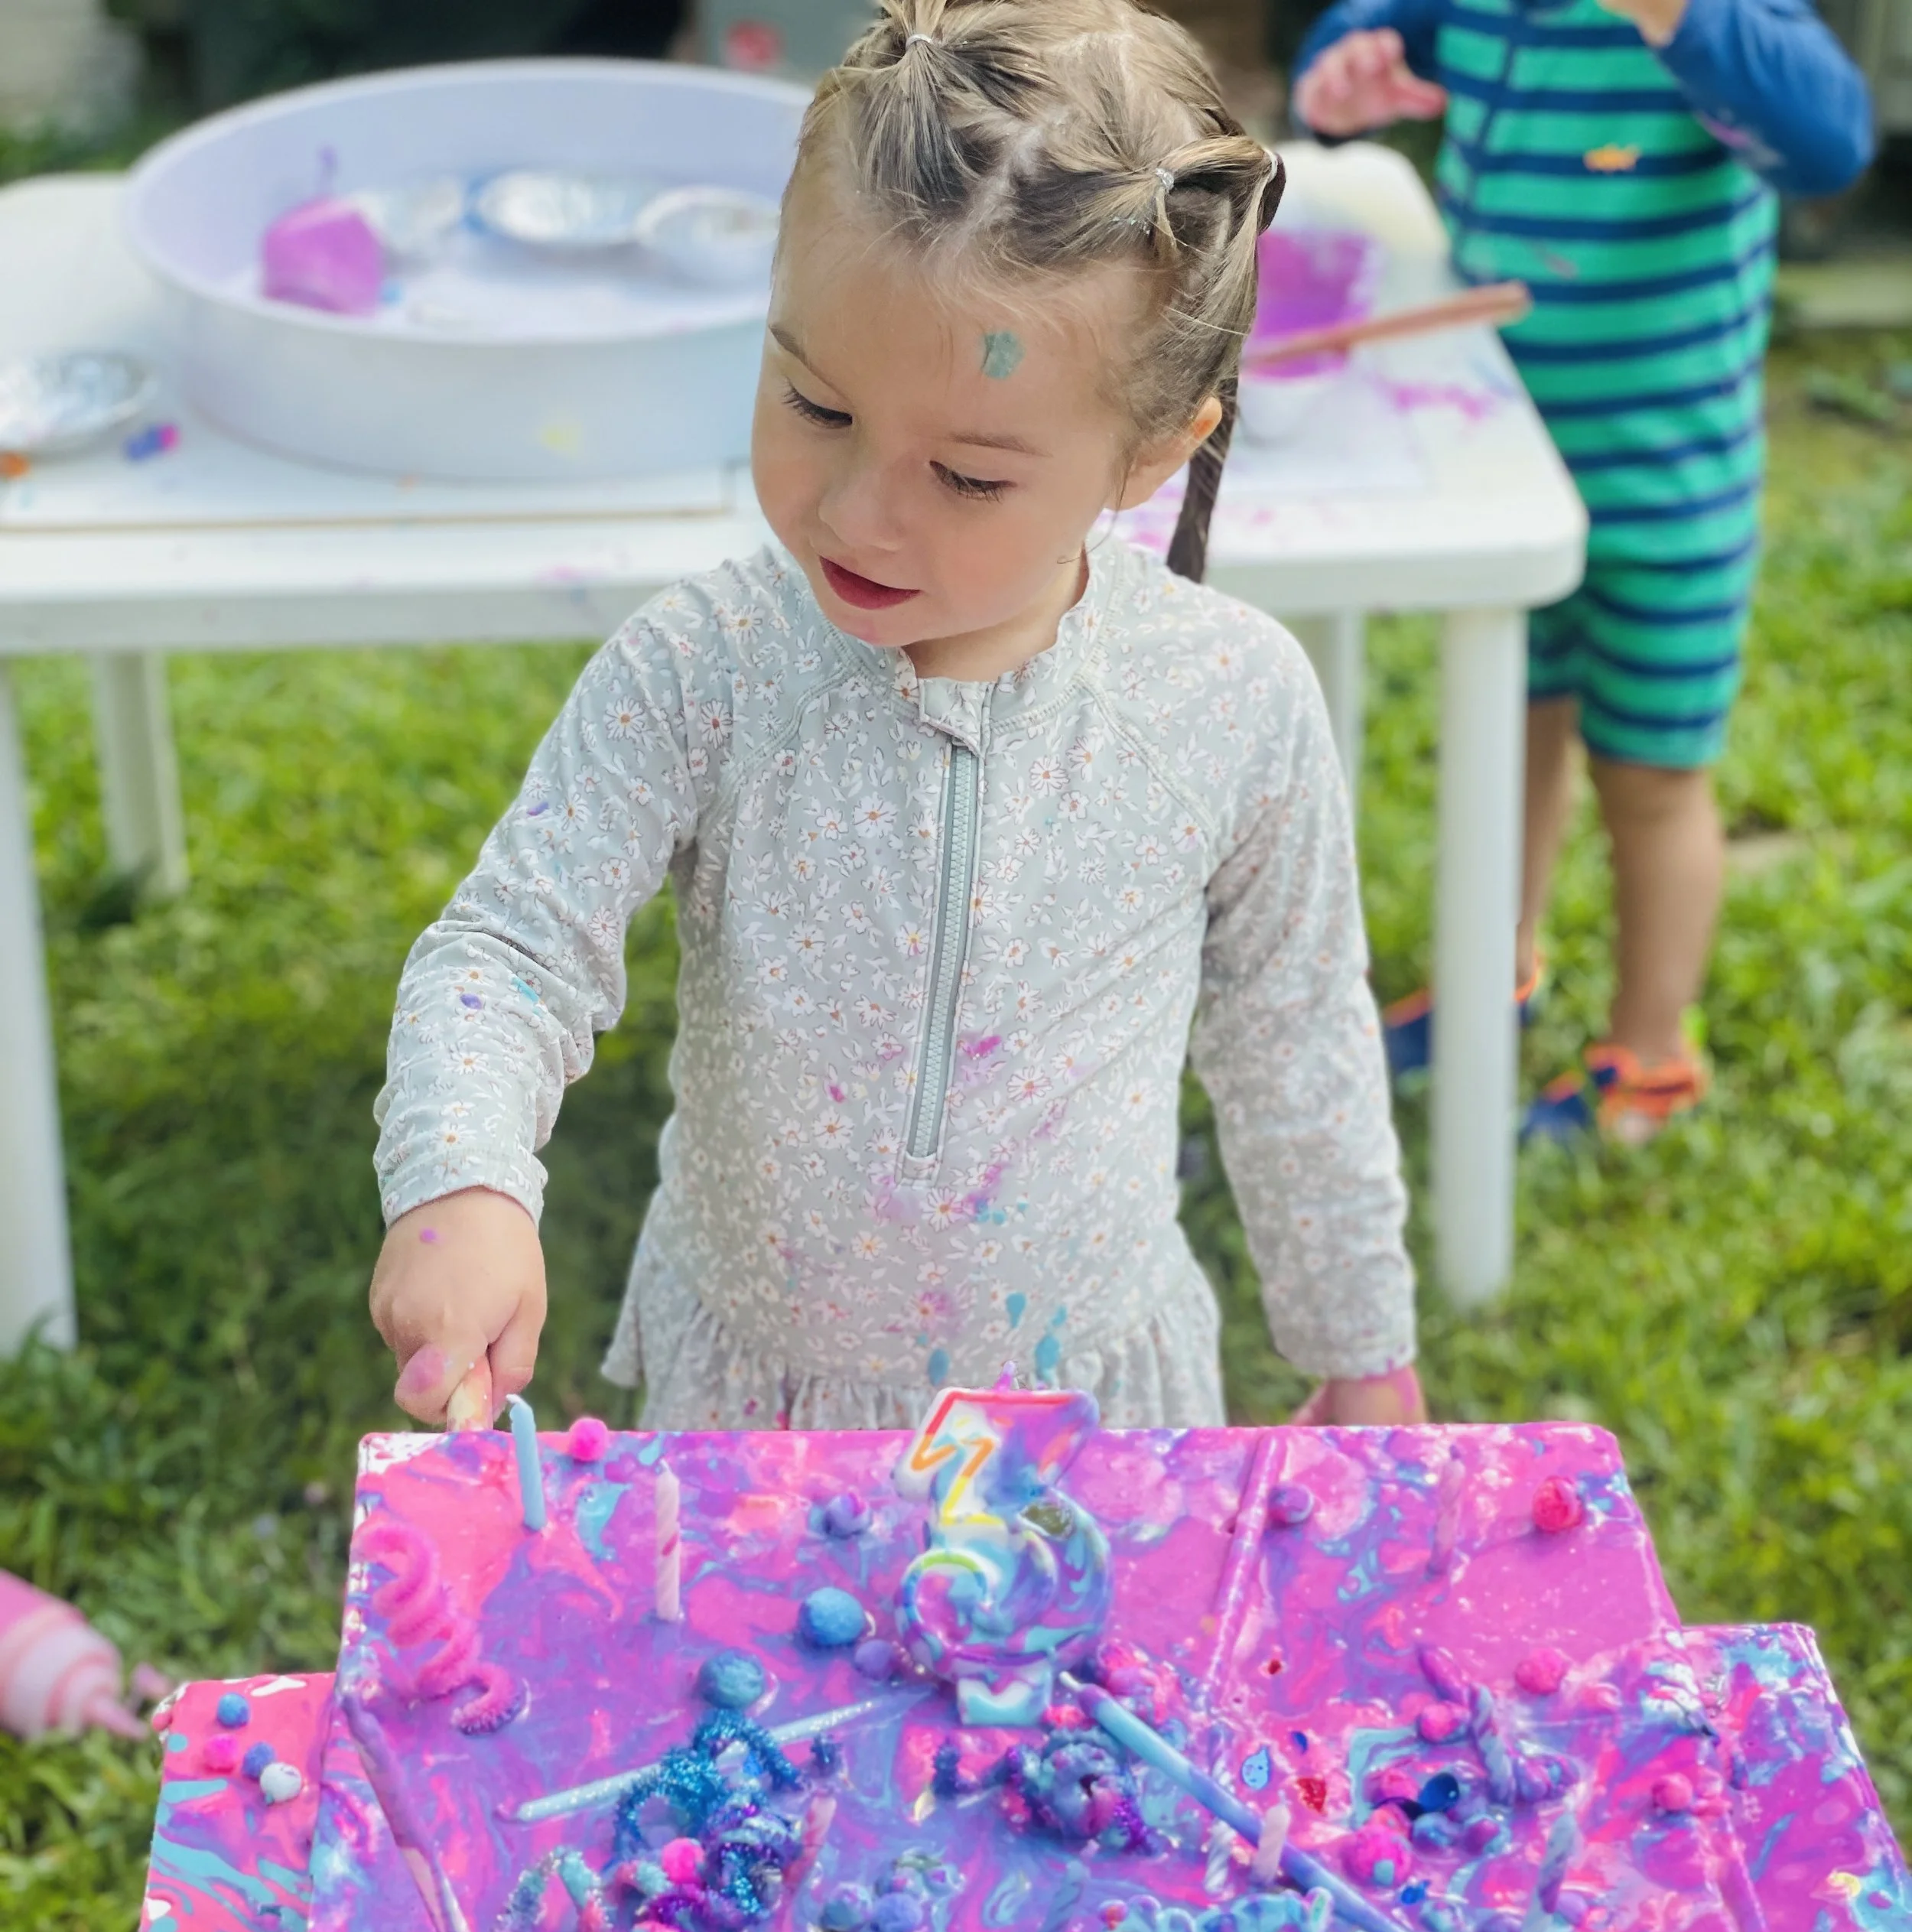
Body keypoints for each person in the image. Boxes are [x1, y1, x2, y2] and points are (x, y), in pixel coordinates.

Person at [369, 0, 1422, 1433]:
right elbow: (512, 947)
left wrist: (1359, 1348)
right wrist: (461, 1176)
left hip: (1090, 1413)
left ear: (1154, 454)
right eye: (815, 403)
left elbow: (1297, 1041)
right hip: (758, 1414)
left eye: (972, 478)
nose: (860, 510)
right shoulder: (707, 668)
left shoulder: (1230, 704)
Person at [1294, 0, 1872, 1140]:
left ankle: (1650, 1055)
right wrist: (1334, 82)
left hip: (1666, 499)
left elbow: (1830, 143)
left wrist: (1682, 18)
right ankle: (1492, 979)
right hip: (1504, 466)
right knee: (1513, 733)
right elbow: (1365, 31)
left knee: (1651, 779)